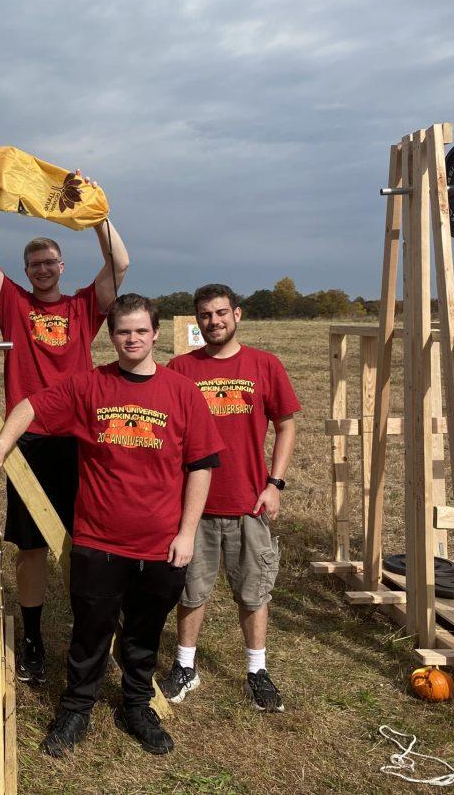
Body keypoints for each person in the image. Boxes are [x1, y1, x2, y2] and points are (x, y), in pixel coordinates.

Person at [0, 294, 223, 757]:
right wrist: (2, 446)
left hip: (160, 543)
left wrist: (187, 533)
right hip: (97, 539)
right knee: (89, 631)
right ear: (111, 337)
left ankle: (136, 705)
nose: (132, 339)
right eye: (122, 332)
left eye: (140, 331)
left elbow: (201, 466)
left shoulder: (182, 392)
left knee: (143, 632)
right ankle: (76, 709)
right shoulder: (90, 386)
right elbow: (31, 405)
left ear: (154, 334)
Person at [0, 198, 129, 685]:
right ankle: (34, 638)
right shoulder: (13, 305)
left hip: (81, 438)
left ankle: (92, 627)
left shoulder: (84, 306)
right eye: (34, 265)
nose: (42, 271)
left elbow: (119, 263)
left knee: (90, 540)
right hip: (28, 440)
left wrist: (100, 215)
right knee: (32, 547)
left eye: (49, 263)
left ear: (62, 266)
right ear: (25, 270)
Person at [160, 283, 300, 712]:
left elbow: (287, 424)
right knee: (191, 591)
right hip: (194, 508)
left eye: (221, 313)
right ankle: (186, 666)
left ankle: (256, 670)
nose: (213, 322)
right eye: (205, 315)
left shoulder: (264, 365)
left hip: (248, 502)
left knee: (254, 592)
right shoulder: (180, 369)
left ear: (237, 315)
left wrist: (274, 484)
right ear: (195, 320)